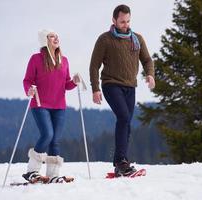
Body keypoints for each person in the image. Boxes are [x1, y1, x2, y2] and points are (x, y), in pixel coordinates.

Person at [89, 5, 155, 176]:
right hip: (111, 84)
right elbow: (94, 65)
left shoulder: (137, 39)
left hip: (130, 86)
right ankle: (120, 161)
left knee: (126, 123)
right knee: (124, 117)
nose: (125, 25)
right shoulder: (105, 39)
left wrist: (150, 74)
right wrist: (95, 89)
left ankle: (122, 162)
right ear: (114, 20)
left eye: (128, 21)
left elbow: (147, 60)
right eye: (122, 22)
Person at [22, 29, 80, 183]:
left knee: (55, 140)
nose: (56, 38)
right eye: (52, 36)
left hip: (59, 106)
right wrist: (29, 90)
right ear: (44, 40)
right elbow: (27, 80)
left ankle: (53, 174)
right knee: (47, 134)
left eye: (57, 36)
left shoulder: (64, 60)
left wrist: (74, 81)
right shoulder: (36, 59)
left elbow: (66, 84)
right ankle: (32, 171)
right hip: (40, 104)